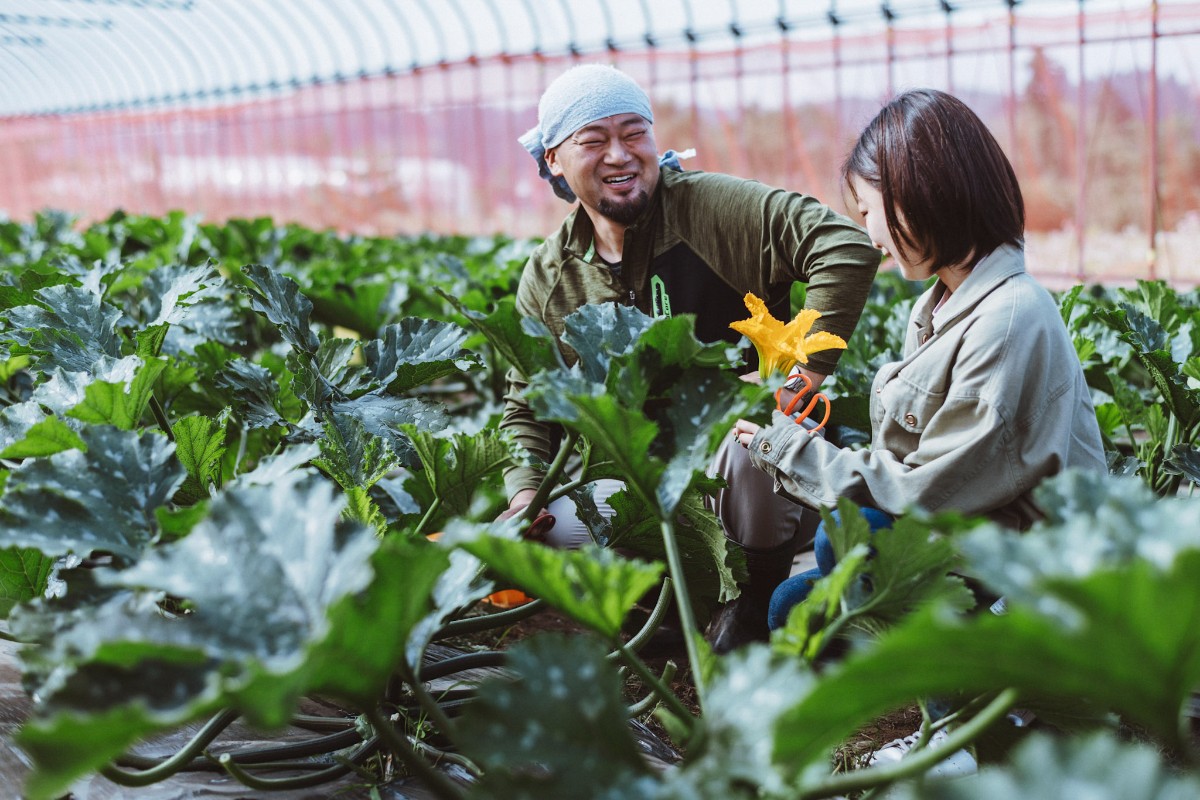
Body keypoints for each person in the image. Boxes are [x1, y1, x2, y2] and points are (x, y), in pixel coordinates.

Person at [499, 63, 881, 652]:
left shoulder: (710, 209)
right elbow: (526, 406)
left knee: (754, 441)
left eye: (634, 134)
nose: (620, 155)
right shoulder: (551, 277)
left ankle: (753, 604)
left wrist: (799, 374)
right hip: (648, 489)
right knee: (542, 541)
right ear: (553, 158)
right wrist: (525, 498)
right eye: (594, 141)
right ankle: (665, 609)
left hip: (750, 484)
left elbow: (845, 247)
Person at [731, 88, 1107, 630]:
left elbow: (929, 490)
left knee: (847, 536)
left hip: (1020, 573)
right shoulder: (940, 305)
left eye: (868, 210)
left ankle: (971, 698)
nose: (870, 234)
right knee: (795, 606)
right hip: (964, 543)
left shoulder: (1008, 318)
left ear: (918, 194)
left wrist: (792, 451)